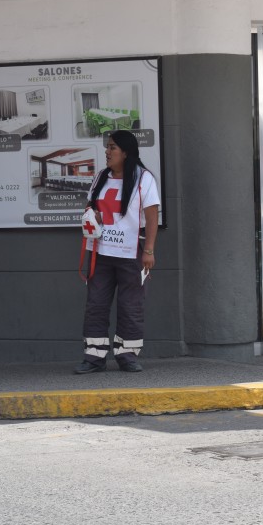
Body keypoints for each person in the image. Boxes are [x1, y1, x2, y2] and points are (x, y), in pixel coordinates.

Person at [74, 130, 160, 374]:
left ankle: (127, 355)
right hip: (100, 252)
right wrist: (93, 215)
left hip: (132, 252)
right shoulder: (101, 176)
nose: (107, 152)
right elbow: (91, 207)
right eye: (107, 147)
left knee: (131, 304)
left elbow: (152, 217)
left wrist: (150, 251)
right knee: (96, 304)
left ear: (126, 152)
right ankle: (94, 357)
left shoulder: (144, 179)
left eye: (112, 147)